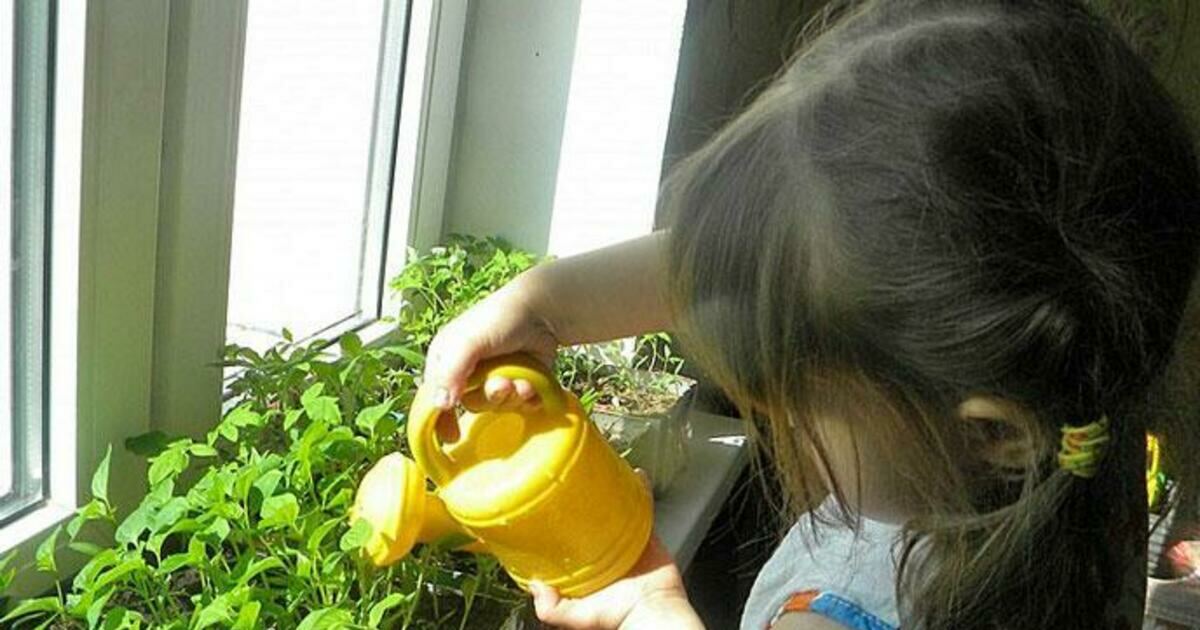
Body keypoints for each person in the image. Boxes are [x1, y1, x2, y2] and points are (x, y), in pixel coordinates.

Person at [422, 0, 1200, 627]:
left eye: (792, 394)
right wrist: (541, 307)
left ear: (991, 432)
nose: (770, 406)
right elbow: (760, 268)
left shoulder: (838, 615)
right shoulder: (1080, 419)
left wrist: (648, 611)